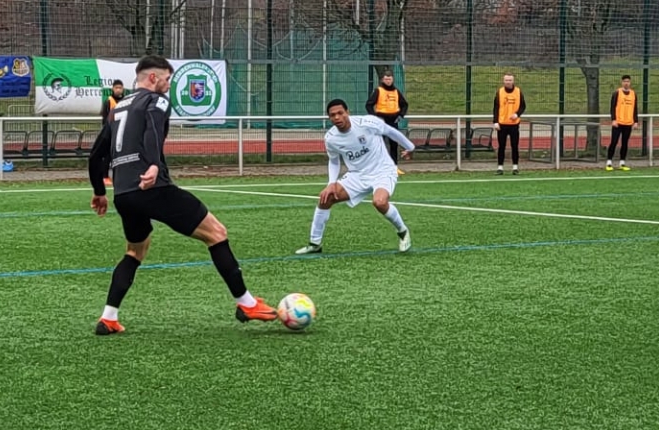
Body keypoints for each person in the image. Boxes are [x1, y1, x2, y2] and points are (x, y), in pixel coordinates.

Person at [86, 56, 278, 335]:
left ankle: (108, 318)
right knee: (217, 233)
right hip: (153, 187)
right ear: (153, 78)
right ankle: (246, 304)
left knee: (135, 251)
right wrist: (153, 165)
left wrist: (99, 191)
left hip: (124, 194)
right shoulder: (157, 101)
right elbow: (153, 131)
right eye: (167, 79)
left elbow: (96, 155)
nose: (168, 85)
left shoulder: (119, 107)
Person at [295, 99, 414, 255]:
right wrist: (331, 183)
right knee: (326, 198)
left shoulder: (367, 123)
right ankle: (314, 244)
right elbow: (334, 161)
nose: (337, 117)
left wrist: (410, 147)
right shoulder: (331, 138)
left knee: (379, 202)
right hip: (357, 175)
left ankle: (403, 232)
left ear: (348, 112)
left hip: (382, 171)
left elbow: (390, 131)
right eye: (332, 115)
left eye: (340, 113)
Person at [366, 69, 409, 168]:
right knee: (379, 143)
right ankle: (378, 166)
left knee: (394, 144)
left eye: (390, 79)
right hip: (381, 121)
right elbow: (369, 105)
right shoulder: (378, 91)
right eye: (386, 79)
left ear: (392, 79)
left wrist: (400, 115)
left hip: (393, 121)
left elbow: (404, 104)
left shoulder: (396, 91)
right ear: (382, 80)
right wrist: (375, 117)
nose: (388, 81)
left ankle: (394, 166)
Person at [492, 73, 526, 175]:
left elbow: (523, 106)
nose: (508, 82)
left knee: (514, 146)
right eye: (506, 80)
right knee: (501, 146)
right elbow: (496, 108)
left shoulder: (518, 92)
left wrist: (517, 114)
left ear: (513, 81)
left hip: (514, 124)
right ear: (503, 81)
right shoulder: (500, 92)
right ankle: (500, 168)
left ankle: (515, 167)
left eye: (510, 80)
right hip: (502, 124)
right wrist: (495, 122)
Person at [606, 74, 638, 172]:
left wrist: (635, 121)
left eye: (628, 81)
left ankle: (622, 162)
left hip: (628, 123)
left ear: (630, 82)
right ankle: (609, 162)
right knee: (614, 142)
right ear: (622, 82)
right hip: (618, 123)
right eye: (624, 81)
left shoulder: (633, 94)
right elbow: (612, 107)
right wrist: (613, 119)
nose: (626, 83)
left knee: (625, 143)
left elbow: (635, 108)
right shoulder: (617, 93)